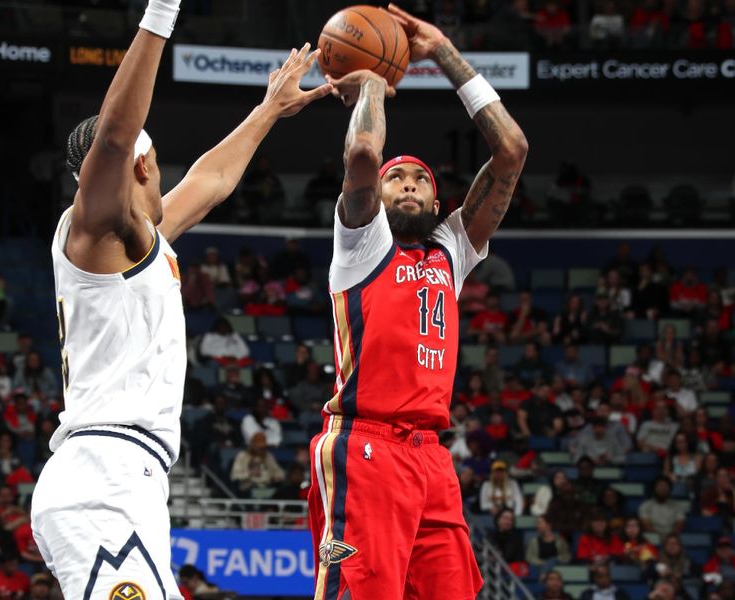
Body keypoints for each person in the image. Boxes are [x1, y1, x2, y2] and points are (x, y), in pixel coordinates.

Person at [29, 2, 331, 596]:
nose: (168, 177)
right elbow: (114, 137)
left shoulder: (144, 241)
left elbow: (213, 180)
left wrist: (269, 108)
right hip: (103, 477)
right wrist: (162, 11)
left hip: (127, 479)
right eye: (159, 164)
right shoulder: (90, 232)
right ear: (141, 164)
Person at [308, 4, 529, 598]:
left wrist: (446, 55)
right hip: (365, 443)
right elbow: (360, 158)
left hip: (431, 456)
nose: (407, 183)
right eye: (395, 177)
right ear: (378, 198)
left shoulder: (452, 248)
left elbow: (511, 151)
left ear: (438, 203)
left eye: (421, 180)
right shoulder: (361, 242)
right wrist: (374, 88)